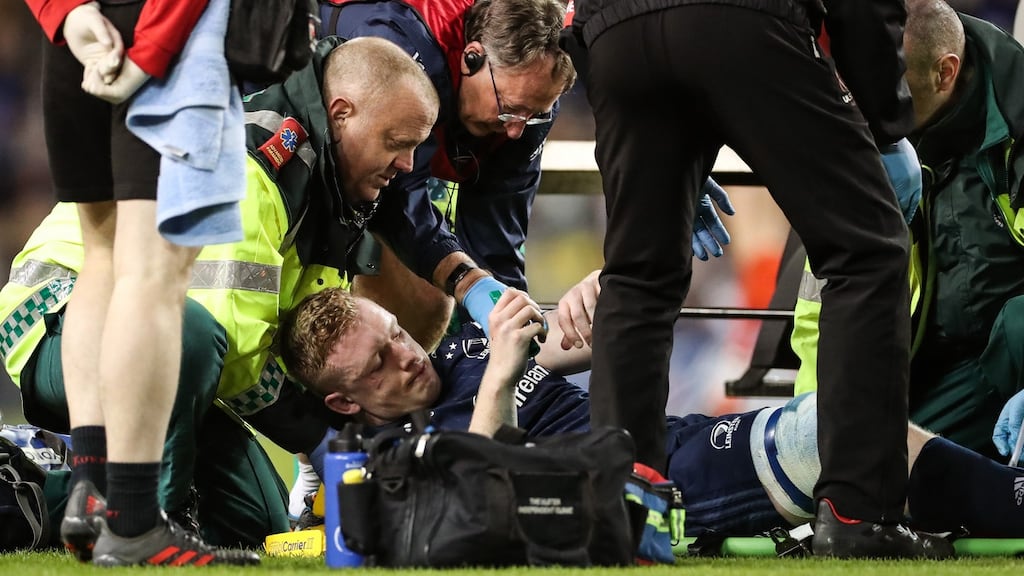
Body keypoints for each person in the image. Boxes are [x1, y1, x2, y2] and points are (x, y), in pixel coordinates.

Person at [1, 34, 438, 553]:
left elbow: (289, 342)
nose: (408, 164)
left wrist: (333, 427)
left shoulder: (328, 194)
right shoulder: (256, 169)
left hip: (169, 352)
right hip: (58, 318)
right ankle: (140, 528)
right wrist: (314, 435)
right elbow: (230, 342)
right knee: (189, 332)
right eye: (396, 142)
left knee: (256, 522)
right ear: (342, 114)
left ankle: (28, 488)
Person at [559, 0, 931, 557]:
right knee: (866, 251)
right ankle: (859, 513)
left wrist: (667, 150)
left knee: (637, 280)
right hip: (742, 18)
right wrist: (882, 124)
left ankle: (624, 516)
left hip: (613, 38)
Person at [280, 285, 1012, 550]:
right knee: (840, 427)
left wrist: (606, 288)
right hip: (643, 493)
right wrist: (502, 376)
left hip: (666, 447)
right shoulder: (382, 458)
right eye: (377, 364)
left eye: (396, 335)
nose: (405, 356)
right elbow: (471, 510)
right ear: (345, 402)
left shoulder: (466, 350)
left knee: (861, 423)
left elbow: (590, 337)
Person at [315, 0, 735, 349]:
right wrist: (466, 281)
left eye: (535, 114)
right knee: (421, 294)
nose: (516, 129)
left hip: (380, 159)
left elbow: (497, 240)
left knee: (439, 294)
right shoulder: (405, 50)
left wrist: (512, 328)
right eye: (510, 110)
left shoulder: (523, 105)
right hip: (317, 154)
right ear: (471, 58)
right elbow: (394, 199)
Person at [23, 0, 258, 566]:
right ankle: (131, 520)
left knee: (101, 257)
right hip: (167, 47)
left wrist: (64, 14)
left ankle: (91, 484)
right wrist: (151, 51)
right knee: (151, 275)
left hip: (79, 40)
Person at [791, 0, 1024, 463]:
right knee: (865, 468)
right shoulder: (863, 142)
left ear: (945, 72)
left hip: (1008, 362)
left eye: (896, 87)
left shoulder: (1017, 130)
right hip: (926, 370)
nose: (878, 106)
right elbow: (822, 304)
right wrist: (812, 425)